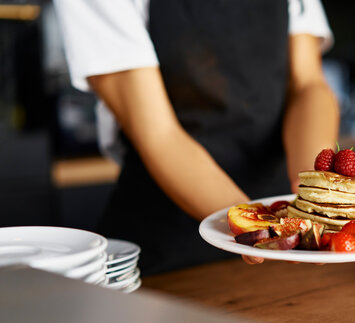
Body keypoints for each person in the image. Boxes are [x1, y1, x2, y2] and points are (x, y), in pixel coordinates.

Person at [53, 0, 340, 275]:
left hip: (284, 250)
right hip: (168, 248)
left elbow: (307, 84)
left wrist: (317, 188)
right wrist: (262, 227)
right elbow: (159, 132)